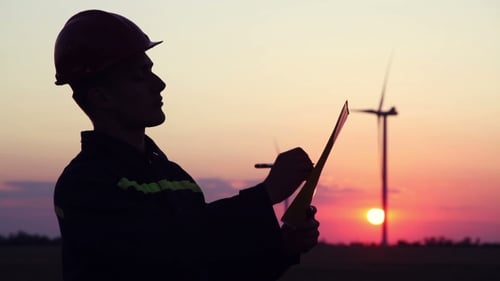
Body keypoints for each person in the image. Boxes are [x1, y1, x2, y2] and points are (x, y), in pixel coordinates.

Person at [53, 9, 320, 281]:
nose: (159, 84)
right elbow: (163, 251)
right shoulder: (84, 185)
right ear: (101, 97)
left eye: (151, 71)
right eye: (139, 76)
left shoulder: (176, 177)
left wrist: (284, 249)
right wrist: (266, 195)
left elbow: (205, 268)